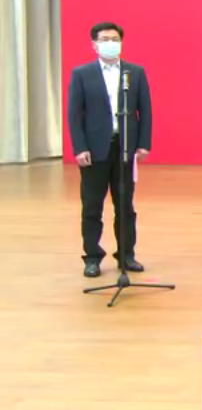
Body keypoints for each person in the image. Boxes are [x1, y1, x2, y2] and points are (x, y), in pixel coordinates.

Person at [68, 21, 152, 278]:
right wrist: (80, 147)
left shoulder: (134, 72)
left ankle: (126, 255)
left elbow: (145, 111)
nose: (110, 43)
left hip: (125, 148)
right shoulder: (82, 74)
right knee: (92, 206)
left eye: (114, 39)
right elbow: (75, 115)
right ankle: (92, 257)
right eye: (104, 39)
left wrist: (143, 143)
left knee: (125, 205)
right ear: (94, 44)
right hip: (94, 150)